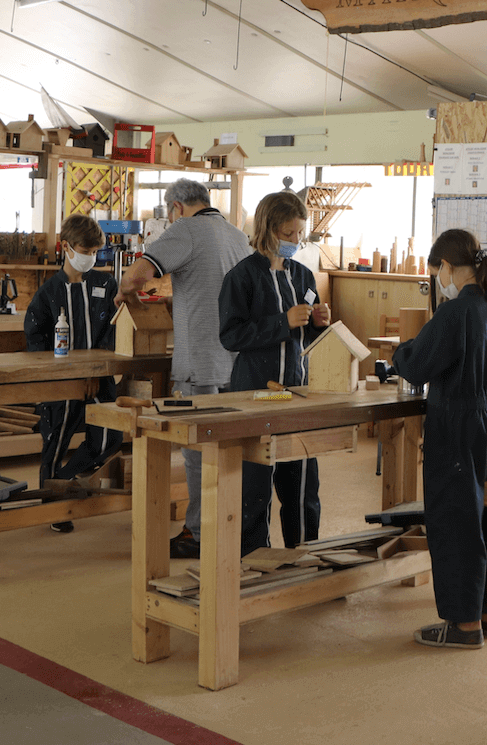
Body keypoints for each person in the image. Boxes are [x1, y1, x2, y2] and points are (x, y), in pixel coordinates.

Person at [392, 228, 487, 650]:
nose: (439, 280)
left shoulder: (454, 313)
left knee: (456, 522)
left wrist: (400, 353)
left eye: (438, 272)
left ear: (448, 267)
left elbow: (415, 366)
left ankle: (463, 625)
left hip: (456, 424)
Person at [117, 178, 251, 558]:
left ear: (175, 207)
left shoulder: (186, 229)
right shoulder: (236, 235)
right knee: (228, 452)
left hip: (201, 363)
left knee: (197, 454)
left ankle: (197, 533)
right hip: (233, 362)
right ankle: (227, 525)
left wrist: (124, 289)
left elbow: (137, 275)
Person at [218, 191, 330, 549]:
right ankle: (254, 562)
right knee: (254, 487)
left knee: (302, 487)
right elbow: (231, 335)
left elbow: (308, 334)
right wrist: (281, 322)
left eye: (299, 233)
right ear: (267, 230)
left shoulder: (302, 275)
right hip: (254, 393)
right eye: (288, 234)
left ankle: (305, 555)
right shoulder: (242, 277)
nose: (295, 241)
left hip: (295, 393)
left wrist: (317, 324)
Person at [22, 214, 123, 532]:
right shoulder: (49, 291)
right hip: (61, 380)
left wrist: (103, 365)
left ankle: (59, 486)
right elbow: (34, 336)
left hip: (101, 377)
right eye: (84, 249)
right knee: (56, 441)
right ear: (65, 247)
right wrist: (57, 370)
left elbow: (114, 327)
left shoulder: (105, 283)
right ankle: (54, 509)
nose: (90, 257)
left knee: (110, 438)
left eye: (95, 251)